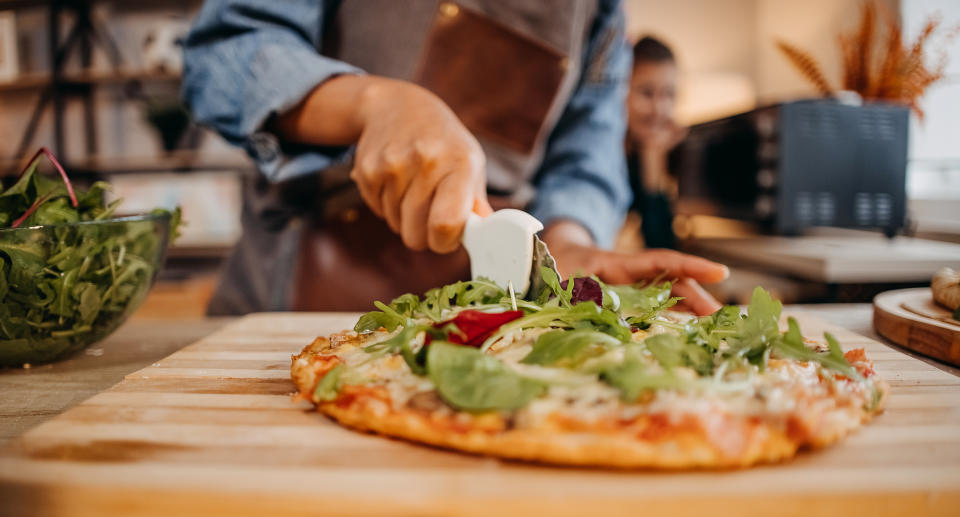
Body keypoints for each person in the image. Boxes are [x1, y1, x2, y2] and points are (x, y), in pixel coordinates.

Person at [181, 1, 727, 316]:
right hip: (291, 297)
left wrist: (569, 245)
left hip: (503, 318)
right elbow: (222, 56)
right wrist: (371, 104)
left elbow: (587, 150)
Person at [626, 36, 685, 250]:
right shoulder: (602, 156)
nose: (659, 109)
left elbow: (662, 245)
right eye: (646, 93)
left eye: (668, 94)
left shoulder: (673, 151)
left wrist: (652, 161)